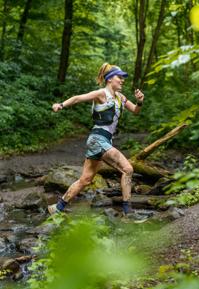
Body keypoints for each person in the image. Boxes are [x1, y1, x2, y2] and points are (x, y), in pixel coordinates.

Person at [48, 63, 144, 216]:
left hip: (101, 141)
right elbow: (78, 98)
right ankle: (128, 211)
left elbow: (135, 111)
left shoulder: (121, 97)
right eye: (119, 77)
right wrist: (61, 105)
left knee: (85, 180)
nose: (122, 80)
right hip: (98, 139)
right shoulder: (101, 93)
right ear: (109, 79)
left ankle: (57, 208)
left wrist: (139, 101)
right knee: (128, 169)